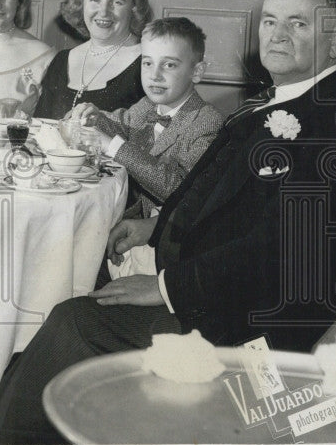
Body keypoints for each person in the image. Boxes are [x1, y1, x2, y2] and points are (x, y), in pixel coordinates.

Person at [0, 0, 336, 445]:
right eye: (269, 21)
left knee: (73, 322)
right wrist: (154, 229)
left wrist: (168, 288)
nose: (278, 35)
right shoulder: (286, 102)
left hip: (249, 333)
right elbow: (229, 204)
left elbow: (283, 253)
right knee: (80, 298)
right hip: (220, 298)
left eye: (299, 24)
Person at [72, 17, 224, 278]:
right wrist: (95, 115)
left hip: (168, 249)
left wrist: (114, 146)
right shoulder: (148, 105)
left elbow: (178, 189)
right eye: (147, 63)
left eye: (169, 65)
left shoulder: (206, 121)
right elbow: (121, 123)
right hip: (126, 231)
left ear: (196, 72)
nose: (155, 75)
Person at [33, 0, 150, 120]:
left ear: (134, 7)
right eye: (95, 0)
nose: (103, 11)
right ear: (81, 4)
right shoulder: (61, 60)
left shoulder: (149, 63)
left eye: (116, 2)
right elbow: (41, 128)